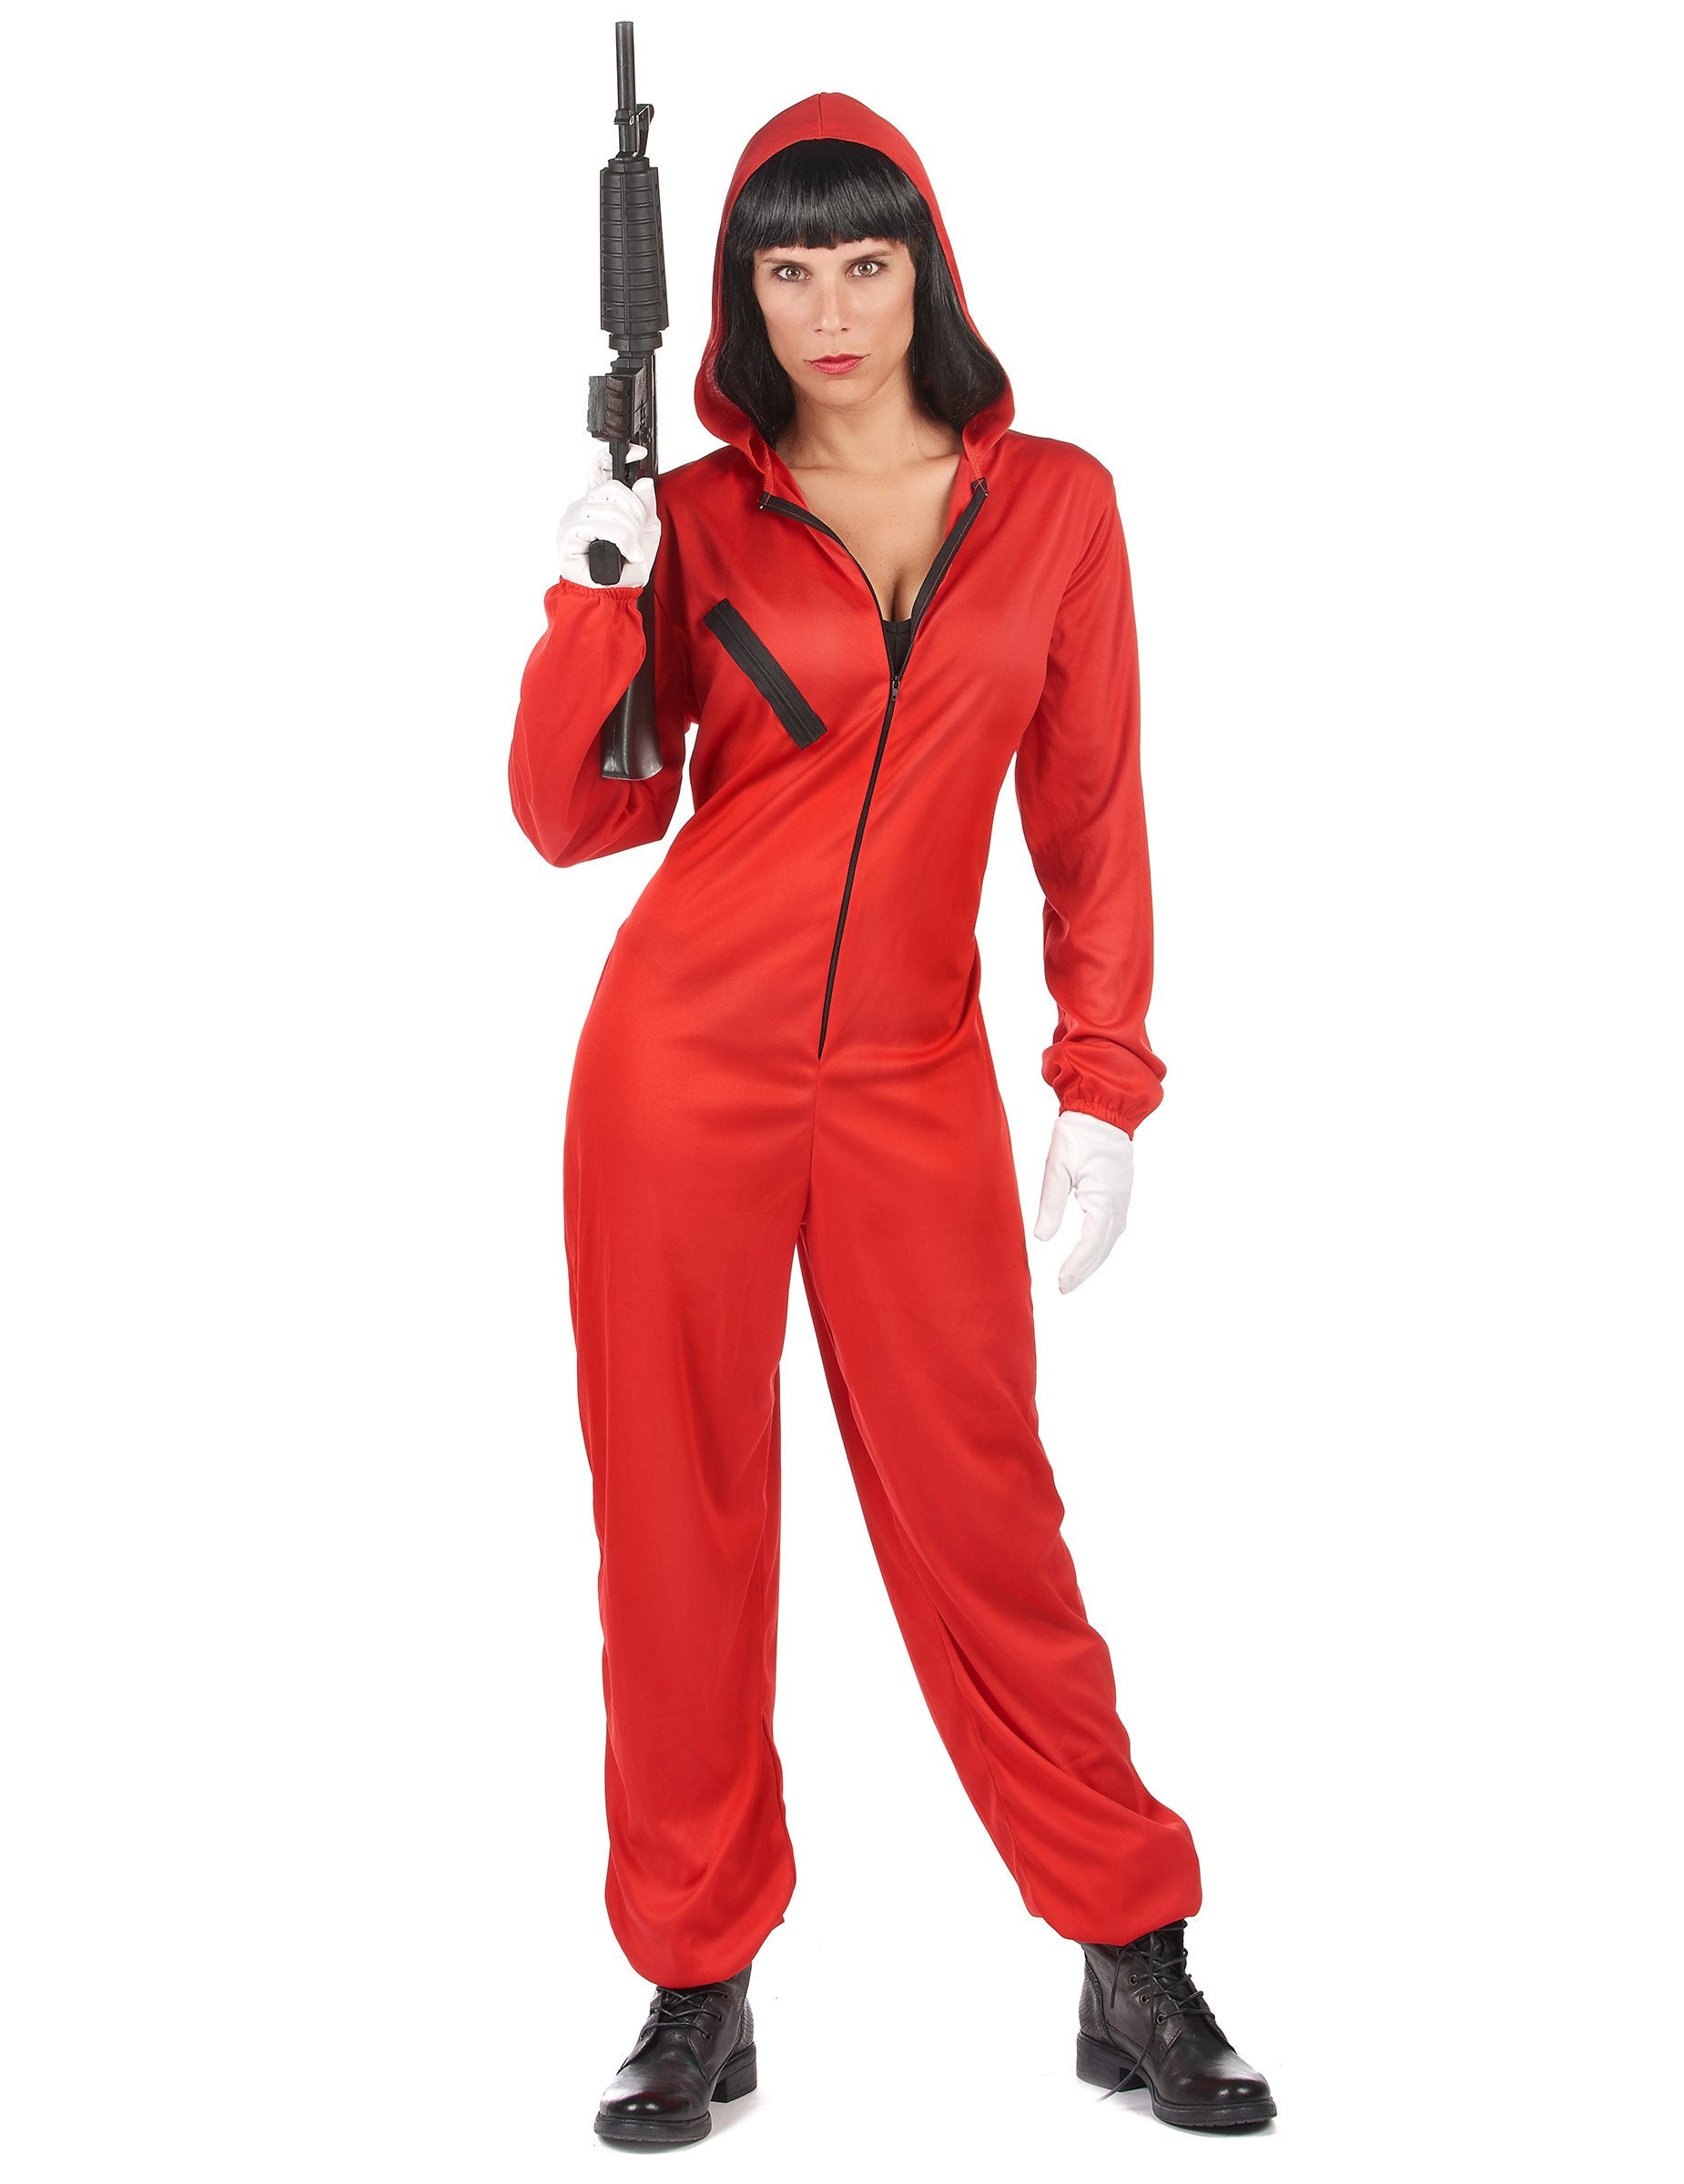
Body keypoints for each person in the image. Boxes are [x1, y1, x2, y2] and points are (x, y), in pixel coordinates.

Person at [508, 91, 1276, 2147]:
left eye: (865, 261)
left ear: (925, 268)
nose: (832, 309)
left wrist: (1101, 1078)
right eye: (788, 269)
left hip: (915, 1079)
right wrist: (590, 600)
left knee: (985, 1518)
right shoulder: (690, 514)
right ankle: (694, 1980)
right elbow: (576, 820)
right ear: (739, 296)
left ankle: (1128, 1948)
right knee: (676, 1526)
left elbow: (1091, 816)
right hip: (678, 1072)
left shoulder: (1057, 507)